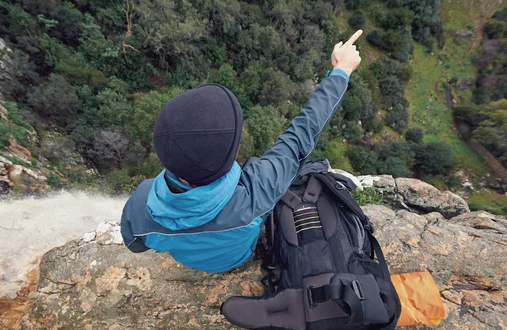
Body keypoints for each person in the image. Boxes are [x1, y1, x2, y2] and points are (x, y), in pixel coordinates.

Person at [121, 30, 363, 273]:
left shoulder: (140, 203)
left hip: (193, 263)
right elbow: (302, 133)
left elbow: (135, 245)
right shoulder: (256, 191)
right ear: (231, 154)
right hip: (239, 257)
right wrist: (340, 72)